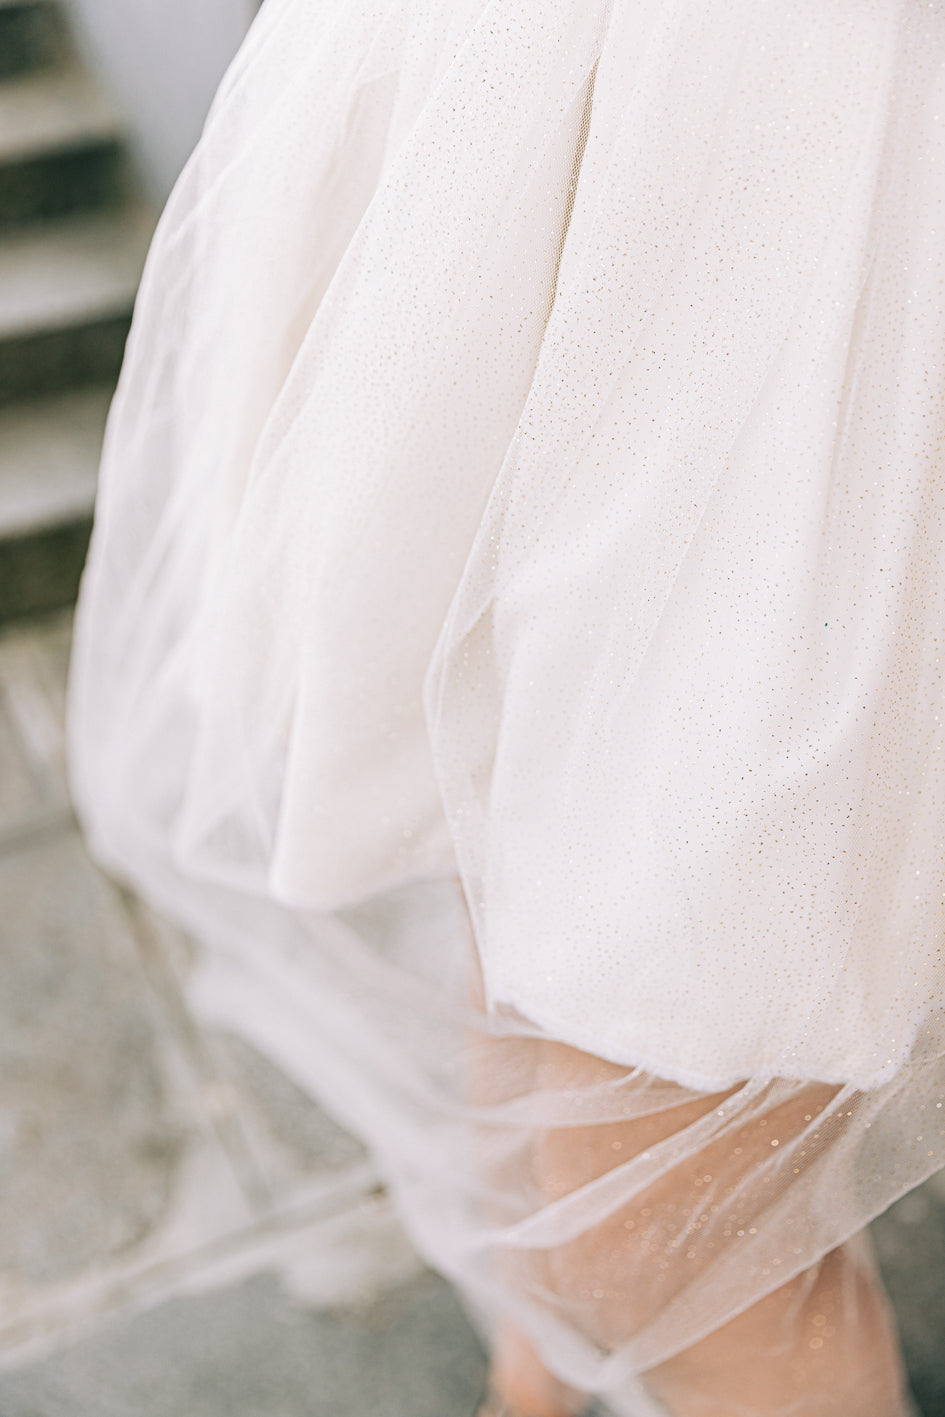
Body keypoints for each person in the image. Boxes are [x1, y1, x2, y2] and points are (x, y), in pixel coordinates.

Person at [68, 0, 945, 1412]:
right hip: (509, 126)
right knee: (512, 907)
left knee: (674, 1233)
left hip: (795, 160)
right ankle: (530, 1380)